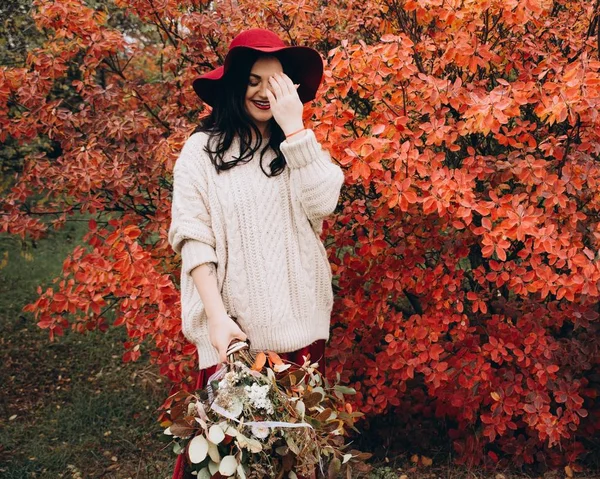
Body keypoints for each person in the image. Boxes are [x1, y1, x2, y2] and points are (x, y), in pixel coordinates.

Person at [168, 28, 344, 478]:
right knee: (231, 461)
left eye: (276, 81)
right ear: (233, 85)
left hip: (298, 331)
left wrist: (295, 129)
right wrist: (217, 318)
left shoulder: (296, 147)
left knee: (297, 458)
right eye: (253, 80)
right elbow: (193, 240)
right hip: (235, 339)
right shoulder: (200, 153)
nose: (265, 92)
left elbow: (324, 201)